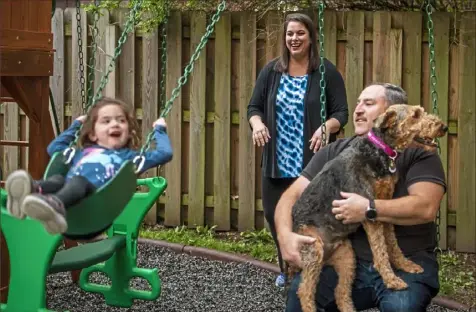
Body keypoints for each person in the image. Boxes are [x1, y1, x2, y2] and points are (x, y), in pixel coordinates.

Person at [276, 82, 446, 312]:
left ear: (392, 115)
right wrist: (284, 236)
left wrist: (369, 208)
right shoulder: (335, 152)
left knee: (402, 307)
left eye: (368, 103)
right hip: (349, 257)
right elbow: (290, 197)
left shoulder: (420, 153)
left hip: (410, 257)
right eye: (358, 102)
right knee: (299, 301)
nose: (357, 110)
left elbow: (426, 207)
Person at [247, 12, 349, 288]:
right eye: (290, 33)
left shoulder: (325, 72)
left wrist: (327, 126)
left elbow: (342, 112)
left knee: (311, 219)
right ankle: (287, 268)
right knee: (275, 215)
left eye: (300, 33)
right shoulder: (271, 71)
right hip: (276, 161)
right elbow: (253, 108)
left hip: (311, 163)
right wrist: (257, 124)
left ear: (311, 37)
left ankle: (314, 272)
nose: (294, 38)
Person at [5, 97, 173, 237]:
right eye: (106, 121)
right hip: (71, 202)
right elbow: (54, 149)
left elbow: (165, 153)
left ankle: (54, 205)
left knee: (78, 180)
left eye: (121, 120)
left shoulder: (130, 158)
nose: (115, 124)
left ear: (129, 132)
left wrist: (159, 130)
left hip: (93, 210)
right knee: (57, 179)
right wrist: (75, 126)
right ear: (93, 133)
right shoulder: (82, 153)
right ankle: (30, 192)